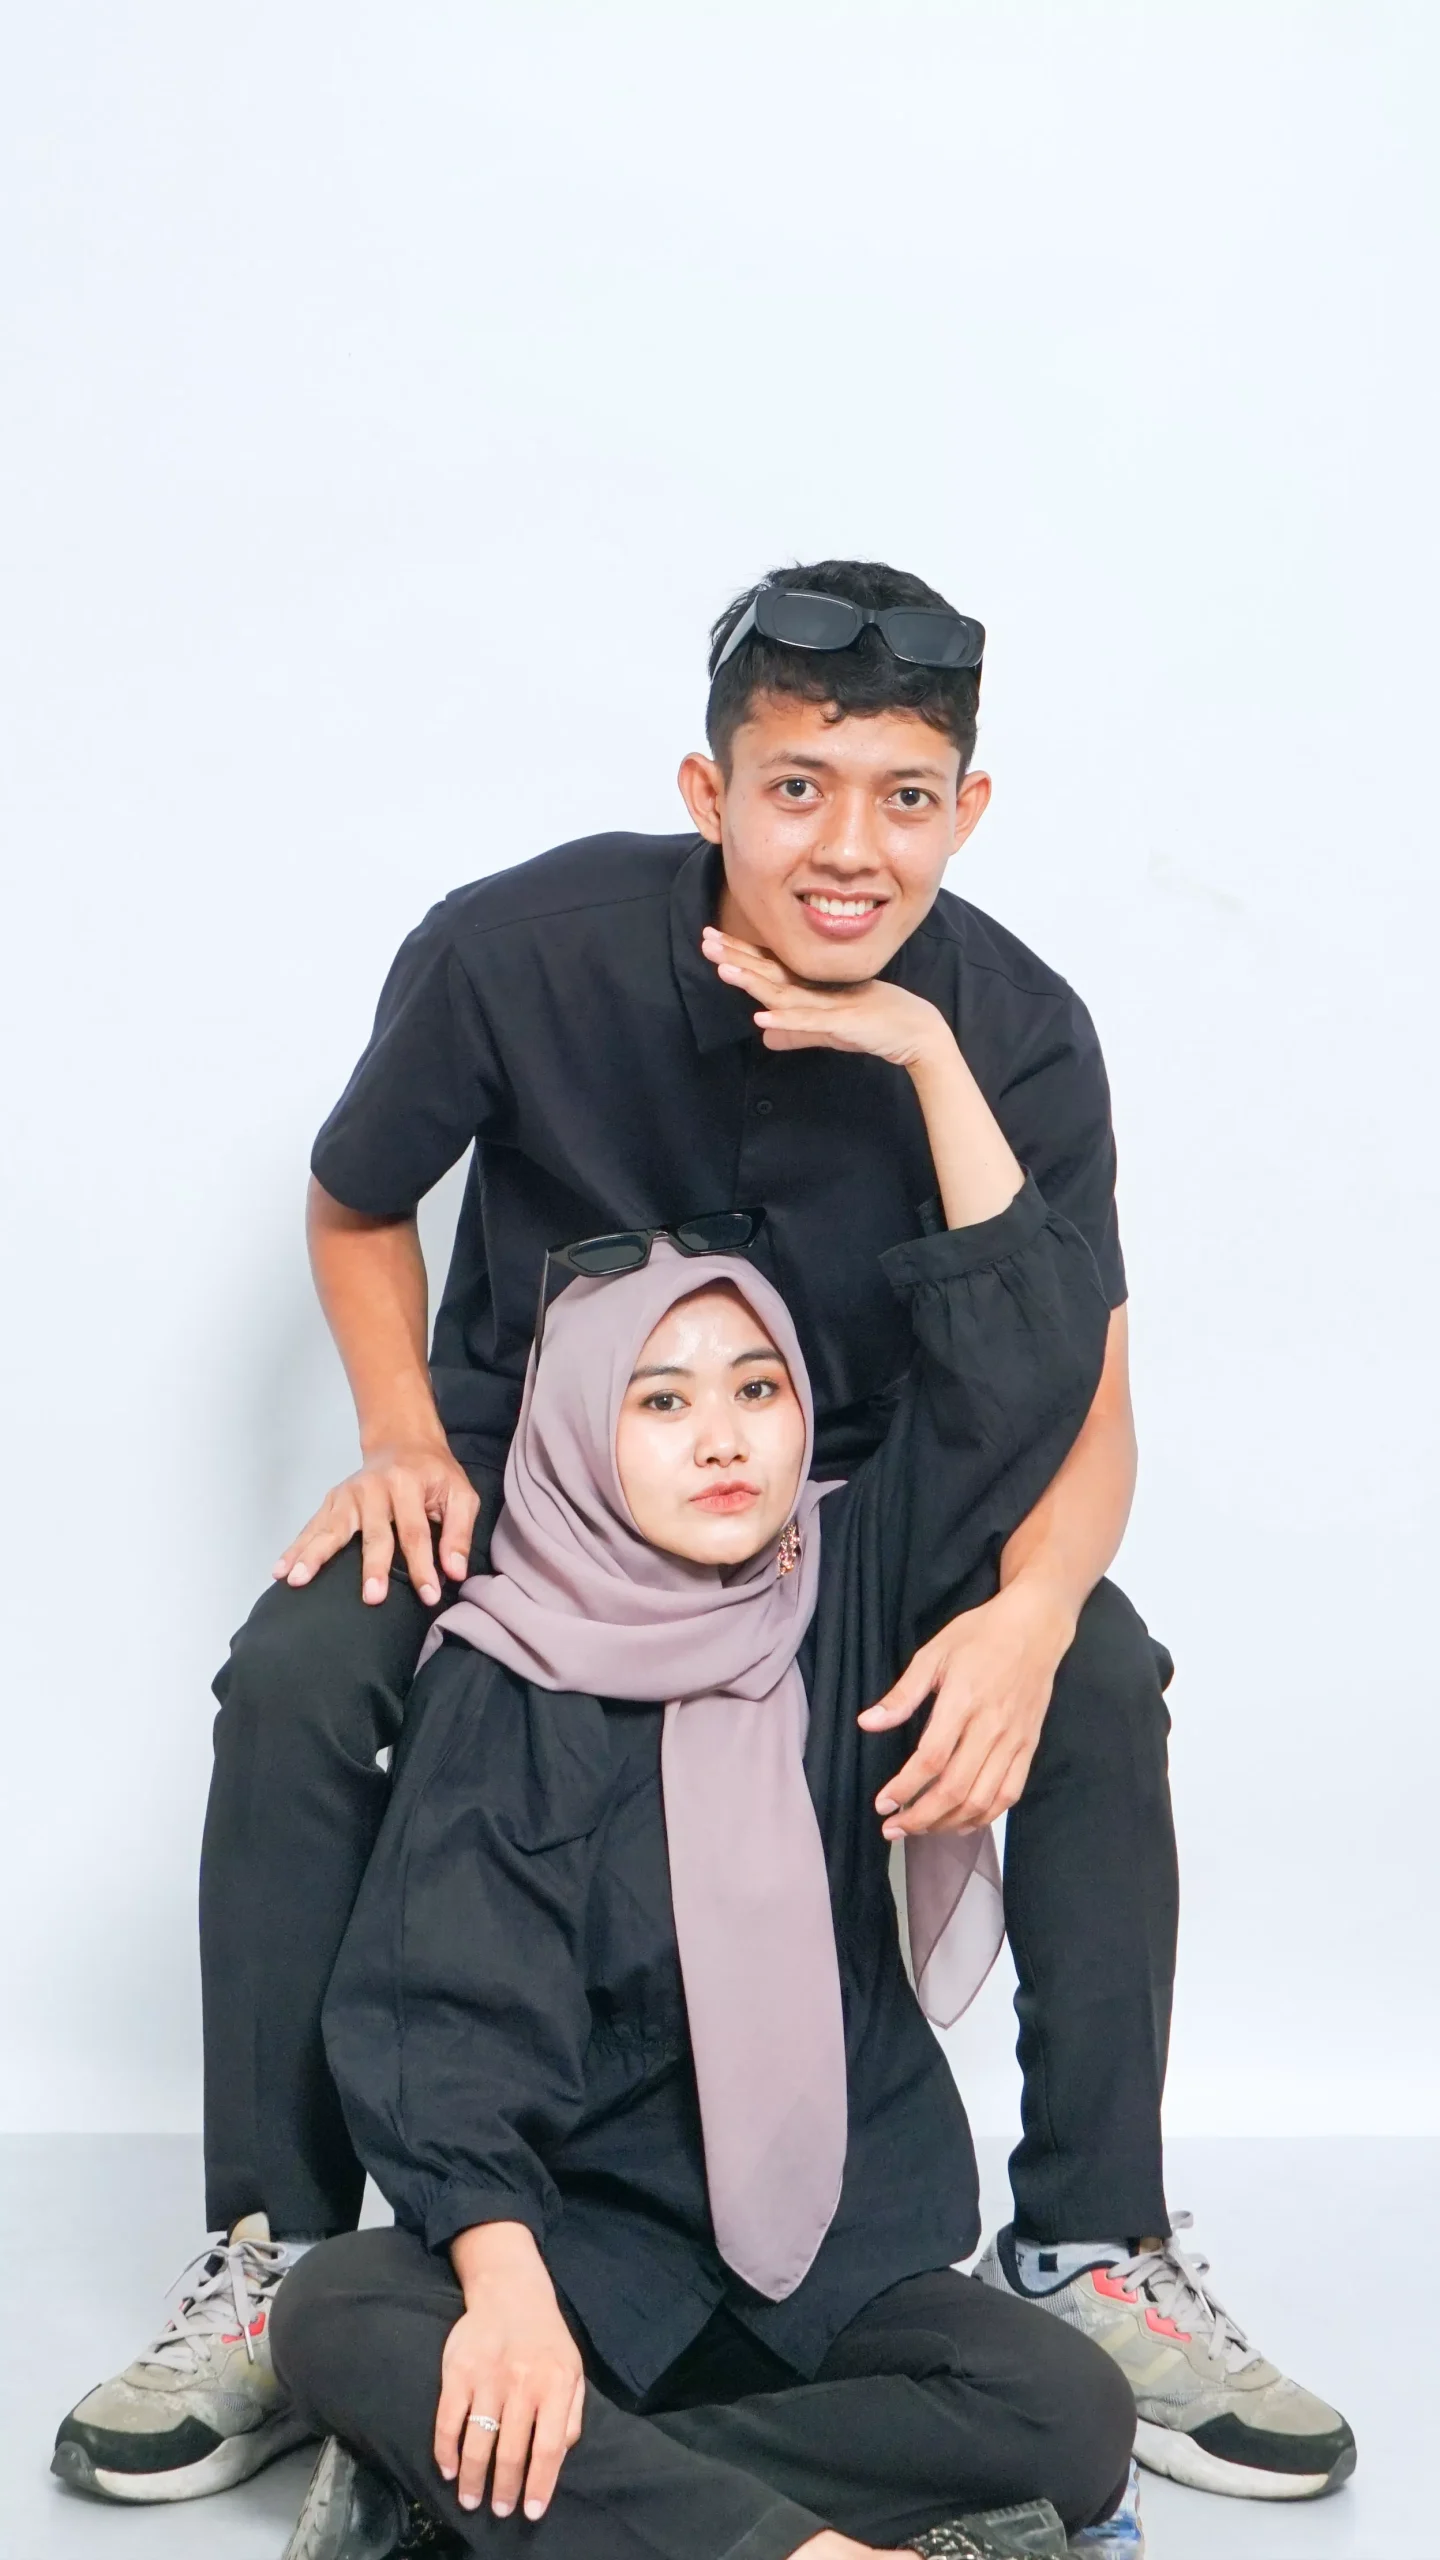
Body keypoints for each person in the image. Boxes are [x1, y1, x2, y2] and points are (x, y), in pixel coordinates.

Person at [53, 559, 1352, 2510]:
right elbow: (355, 1198)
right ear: (709, 790)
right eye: (797, 787)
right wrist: (399, 1431)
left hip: (864, 1520)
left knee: (1092, 1670)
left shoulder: (1015, 1026)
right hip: (538, 1494)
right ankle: (279, 2253)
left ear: (969, 810)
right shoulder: (515, 952)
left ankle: (1094, 2243)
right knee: (305, 1662)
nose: (849, 846)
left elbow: (1077, 1387)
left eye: (903, 797)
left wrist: (1029, 1610)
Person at [270, 977, 1136, 2560]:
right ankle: (784, 2547)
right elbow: (436, 2022)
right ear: (576, 1436)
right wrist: (508, 2294)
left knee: (1069, 2414)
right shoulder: (510, 1666)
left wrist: (930, 1053)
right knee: (340, 2315)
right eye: (660, 1403)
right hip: (583, 2247)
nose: (723, 1437)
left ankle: (532, 2498)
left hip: (833, 2255)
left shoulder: (848, 1593)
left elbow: (1028, 1365)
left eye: (757, 1388)